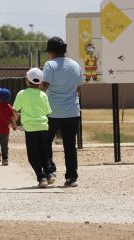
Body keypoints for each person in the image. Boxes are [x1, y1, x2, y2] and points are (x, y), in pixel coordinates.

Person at [40, 37, 84, 188]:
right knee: (70, 146)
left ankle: (49, 171)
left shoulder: (50, 65)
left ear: (52, 51)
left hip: (52, 112)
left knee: (45, 143)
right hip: (72, 111)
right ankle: (72, 177)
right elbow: (79, 88)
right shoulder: (75, 65)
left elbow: (44, 86)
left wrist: (38, 102)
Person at [13, 68, 56, 188]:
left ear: (27, 81)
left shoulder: (22, 93)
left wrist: (15, 121)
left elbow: (15, 110)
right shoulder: (43, 94)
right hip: (43, 127)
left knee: (33, 155)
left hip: (30, 129)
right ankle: (50, 172)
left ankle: (41, 177)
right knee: (44, 152)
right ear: (40, 82)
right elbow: (47, 112)